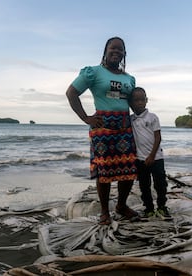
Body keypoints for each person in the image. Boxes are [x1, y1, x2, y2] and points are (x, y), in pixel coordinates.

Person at [65, 36, 139, 225]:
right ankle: (105, 211)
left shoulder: (129, 78)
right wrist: (85, 118)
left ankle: (121, 206)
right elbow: (71, 93)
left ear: (124, 54)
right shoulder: (94, 73)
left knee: (128, 169)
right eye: (113, 48)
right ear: (105, 51)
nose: (116, 51)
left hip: (125, 128)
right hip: (103, 129)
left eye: (120, 49)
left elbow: (130, 102)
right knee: (104, 172)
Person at [129, 87, 170, 218]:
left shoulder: (152, 117)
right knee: (144, 185)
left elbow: (158, 137)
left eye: (142, 100)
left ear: (146, 101)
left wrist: (152, 155)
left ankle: (162, 206)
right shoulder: (131, 120)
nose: (139, 102)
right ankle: (149, 208)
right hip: (140, 160)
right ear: (131, 103)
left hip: (156, 158)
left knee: (160, 184)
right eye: (136, 100)